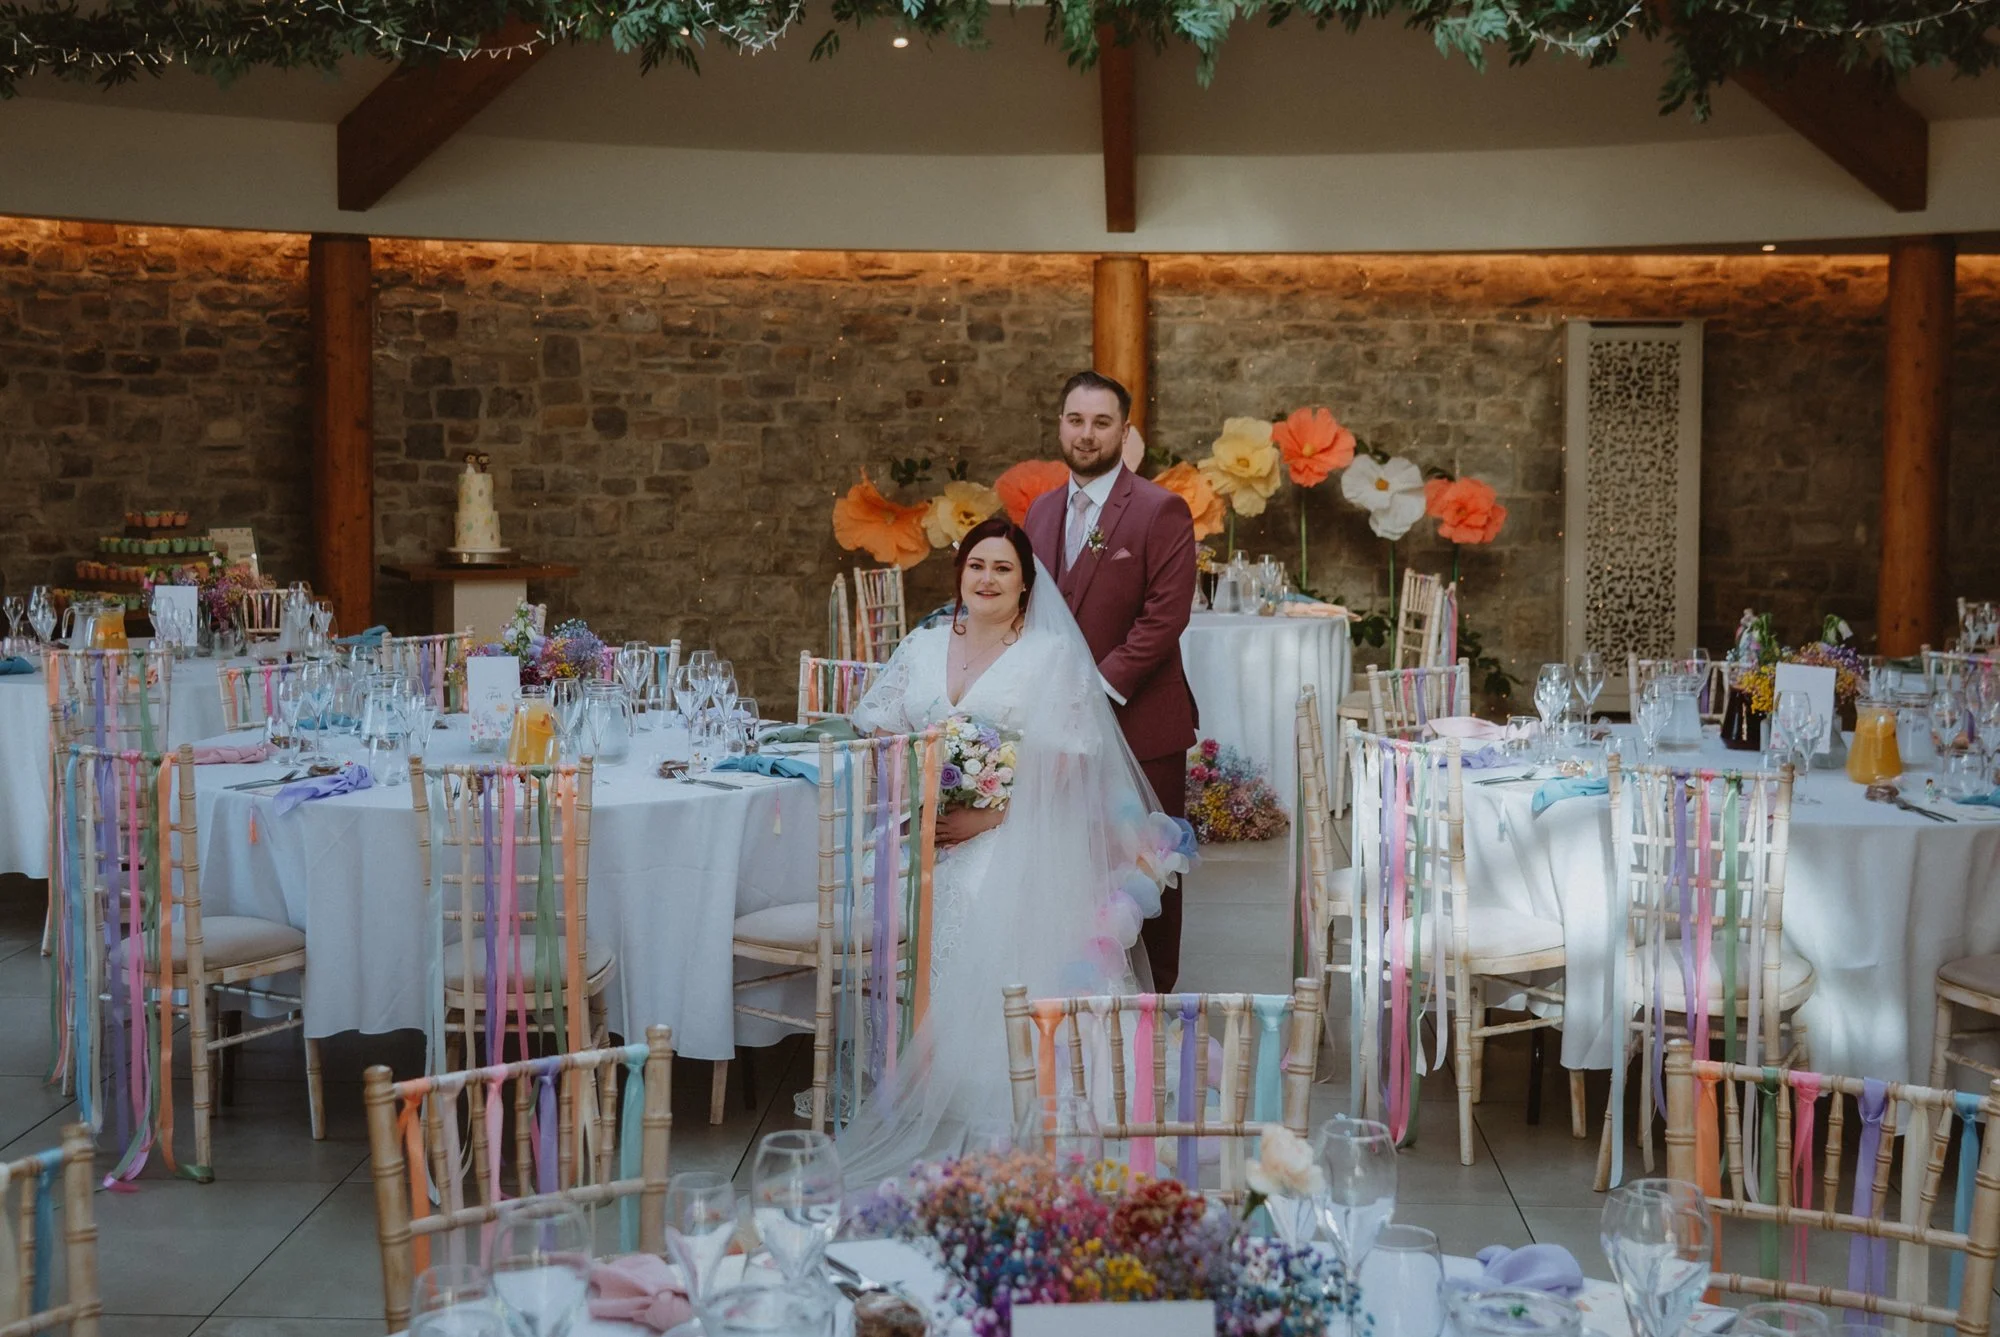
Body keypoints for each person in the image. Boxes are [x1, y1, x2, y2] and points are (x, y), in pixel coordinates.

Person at [831, 516, 1188, 1182]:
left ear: (1026, 584)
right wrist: (912, 791)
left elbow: (1065, 763)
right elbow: (878, 729)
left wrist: (985, 818)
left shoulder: (1049, 656)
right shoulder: (924, 644)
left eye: (1002, 568)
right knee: (866, 881)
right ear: (959, 574)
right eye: (976, 566)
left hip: (1013, 829)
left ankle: (989, 1080)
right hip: (924, 823)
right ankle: (896, 1056)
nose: (987, 579)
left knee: (979, 887)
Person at [1023, 370, 1199, 990]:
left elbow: (1165, 616)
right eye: (1076, 420)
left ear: (1124, 433)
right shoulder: (1040, 513)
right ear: (1060, 424)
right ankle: (1083, 986)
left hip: (1140, 722)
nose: (1086, 434)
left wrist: (1095, 691)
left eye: (1102, 423)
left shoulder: (1160, 509)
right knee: (1073, 858)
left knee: (1146, 866)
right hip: (1057, 730)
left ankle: (1154, 996)